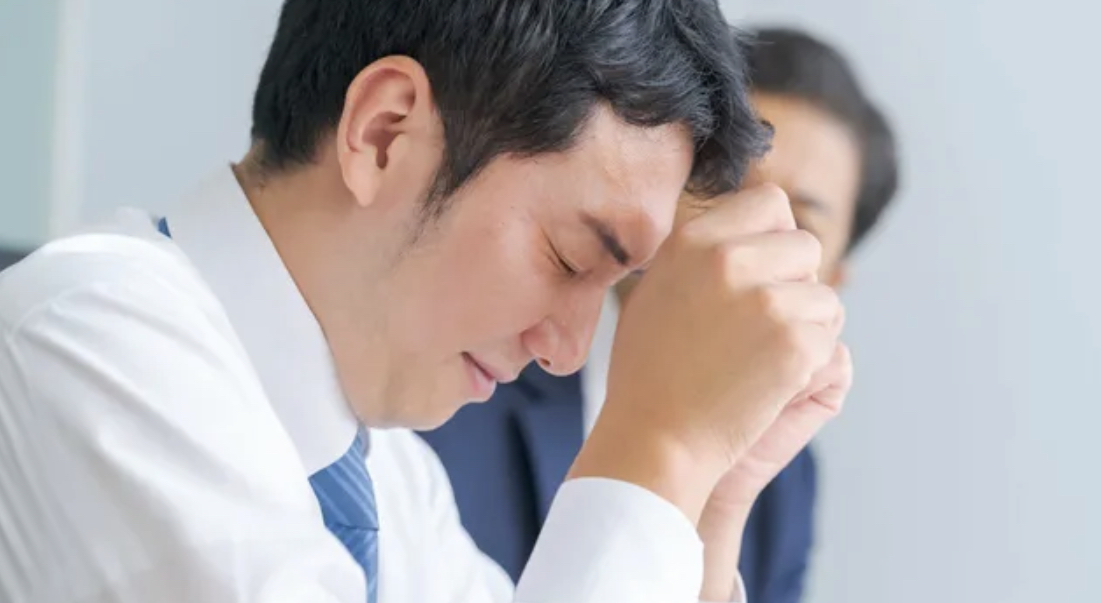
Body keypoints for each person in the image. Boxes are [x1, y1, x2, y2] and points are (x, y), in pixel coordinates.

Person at [0, 3, 851, 602]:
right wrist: (661, 446)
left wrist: (709, 498)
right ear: (384, 133)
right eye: (568, 257)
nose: (566, 349)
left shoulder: (392, 481)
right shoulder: (85, 339)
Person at [421, 26, 899, 603]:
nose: (745, 235)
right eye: (724, 183)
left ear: (832, 283)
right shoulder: (476, 357)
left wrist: (718, 503)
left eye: (800, 223)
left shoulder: (782, 480)